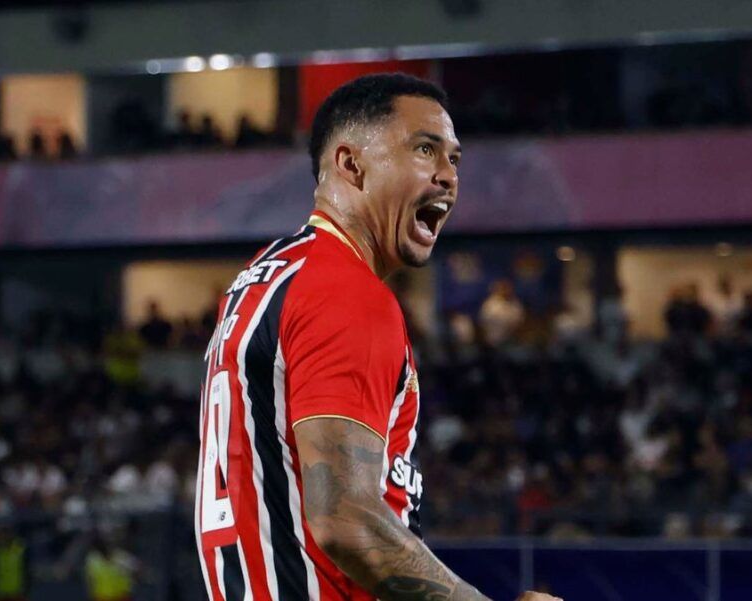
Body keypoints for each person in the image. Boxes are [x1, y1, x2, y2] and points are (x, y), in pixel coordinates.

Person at [193, 73, 558, 601]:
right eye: (425, 149)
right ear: (350, 164)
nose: (448, 176)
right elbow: (345, 518)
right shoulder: (344, 290)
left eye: (454, 159)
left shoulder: (265, 275)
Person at [0, 527, 30, 601]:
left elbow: (27, 570)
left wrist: (26, 590)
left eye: (6, 535)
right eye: (1, 535)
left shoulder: (21, 548)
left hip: (17, 593)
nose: (3, 537)